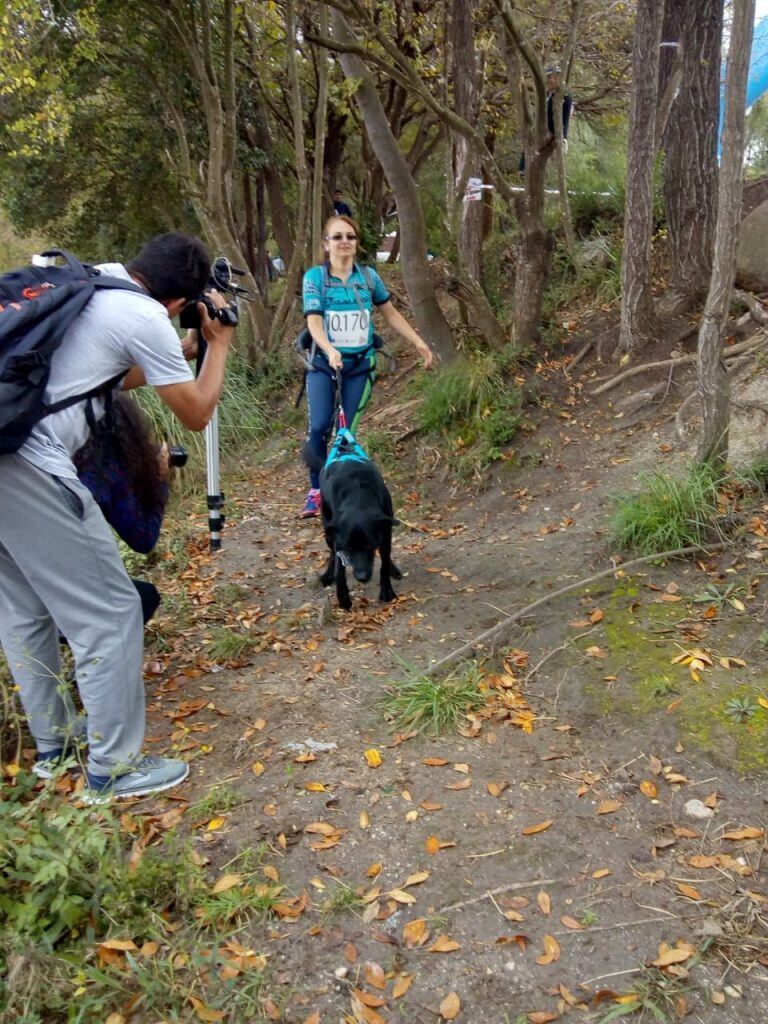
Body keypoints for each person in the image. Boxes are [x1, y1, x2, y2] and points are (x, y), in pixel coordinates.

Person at [0, 232, 235, 801]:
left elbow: (99, 370)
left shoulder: (90, 280)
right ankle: (113, 769)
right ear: (181, 301)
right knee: (110, 611)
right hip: (28, 466)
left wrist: (177, 351)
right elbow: (197, 414)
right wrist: (219, 344)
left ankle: (55, 748)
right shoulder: (143, 313)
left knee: (25, 609)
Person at [299, 214, 433, 518]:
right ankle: (316, 489)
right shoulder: (315, 278)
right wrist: (330, 349)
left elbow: (390, 313)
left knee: (345, 433)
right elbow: (314, 321)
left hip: (360, 366)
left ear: (356, 243)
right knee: (320, 427)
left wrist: (417, 341)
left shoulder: (369, 277)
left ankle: (338, 490)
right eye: (337, 237)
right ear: (326, 244)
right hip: (324, 364)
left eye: (350, 236)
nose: (345, 241)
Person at [74, 392, 174, 624]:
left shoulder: (59, 459)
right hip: (74, 590)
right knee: (143, 598)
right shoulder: (105, 470)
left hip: (27, 589)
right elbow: (144, 539)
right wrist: (160, 480)